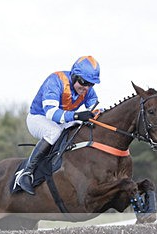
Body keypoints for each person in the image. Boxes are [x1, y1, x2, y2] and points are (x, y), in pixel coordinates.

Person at [14, 55, 101, 195]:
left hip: (61, 121)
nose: (86, 88)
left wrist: (98, 114)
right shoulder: (55, 81)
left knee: (81, 127)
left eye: (91, 84)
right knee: (54, 131)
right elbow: (50, 113)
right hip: (38, 118)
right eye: (84, 82)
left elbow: (94, 110)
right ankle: (26, 173)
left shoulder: (88, 89)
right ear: (74, 75)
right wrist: (77, 115)